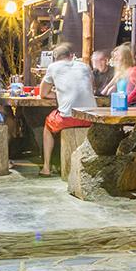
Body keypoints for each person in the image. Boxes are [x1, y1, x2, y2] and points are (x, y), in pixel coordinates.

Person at [39, 43, 96, 177]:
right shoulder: (84, 66)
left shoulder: (53, 67)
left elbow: (43, 93)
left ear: (55, 58)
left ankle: (46, 167)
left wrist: (60, 94)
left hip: (69, 118)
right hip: (91, 117)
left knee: (48, 124)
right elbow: (91, 88)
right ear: (71, 56)